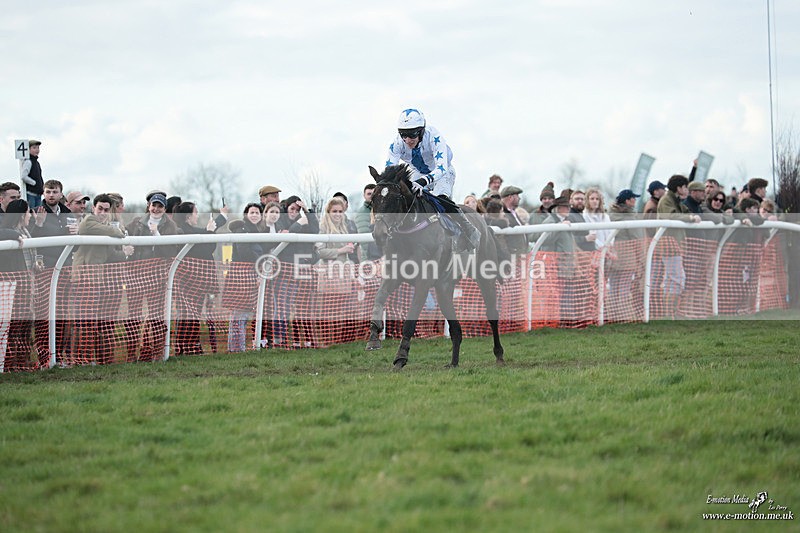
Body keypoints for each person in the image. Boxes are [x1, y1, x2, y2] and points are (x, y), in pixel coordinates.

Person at [386, 108, 480, 251]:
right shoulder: (396, 144)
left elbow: (441, 168)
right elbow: (390, 172)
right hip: (418, 172)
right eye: (403, 135)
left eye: (411, 135)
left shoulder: (434, 136)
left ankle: (467, 228)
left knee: (440, 199)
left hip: (443, 172)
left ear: (421, 131)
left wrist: (423, 182)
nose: (407, 140)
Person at [71, 194, 130, 365]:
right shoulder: (89, 221)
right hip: (84, 278)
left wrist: (124, 253)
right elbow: (112, 231)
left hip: (97, 279)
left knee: (93, 321)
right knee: (84, 321)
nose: (102, 213)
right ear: (93, 208)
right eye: (100, 209)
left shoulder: (105, 226)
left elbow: (110, 253)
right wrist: (119, 231)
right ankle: (81, 359)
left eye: (106, 210)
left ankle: (91, 358)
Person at [124, 192, 179, 362]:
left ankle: (157, 353)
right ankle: (132, 354)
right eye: (154, 205)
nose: (156, 209)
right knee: (133, 316)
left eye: (160, 206)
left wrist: (156, 235)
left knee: (156, 316)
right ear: (148, 205)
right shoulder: (136, 222)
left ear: (164, 208)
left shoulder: (171, 227)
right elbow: (125, 238)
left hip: (157, 276)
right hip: (135, 274)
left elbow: (170, 251)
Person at [173, 201, 221, 355]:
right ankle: (189, 348)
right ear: (188, 216)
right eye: (195, 212)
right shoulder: (184, 231)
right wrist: (210, 232)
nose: (197, 215)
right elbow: (207, 248)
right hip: (191, 280)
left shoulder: (189, 230)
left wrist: (215, 225)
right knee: (190, 315)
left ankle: (188, 347)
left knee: (190, 314)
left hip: (192, 280)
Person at [225, 203, 271, 351]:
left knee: (244, 314)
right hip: (240, 277)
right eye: (252, 212)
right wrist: (260, 261)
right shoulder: (242, 230)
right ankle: (236, 349)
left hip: (251, 276)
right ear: (246, 214)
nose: (254, 215)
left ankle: (239, 348)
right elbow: (244, 251)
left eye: (257, 213)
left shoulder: (259, 232)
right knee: (239, 315)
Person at [656, 174, 701, 318]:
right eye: (685, 187)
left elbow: (686, 212)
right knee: (677, 278)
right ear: (679, 188)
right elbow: (671, 216)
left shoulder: (675, 200)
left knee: (673, 279)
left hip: (674, 244)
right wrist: (690, 218)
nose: (687, 190)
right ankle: (670, 313)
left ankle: (671, 313)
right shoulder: (666, 200)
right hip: (668, 245)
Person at [0, 200, 34, 371]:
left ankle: (21, 362)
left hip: (26, 284)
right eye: (28, 212)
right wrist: (13, 235)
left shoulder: (26, 231)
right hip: (13, 286)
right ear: (21, 215)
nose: (31, 215)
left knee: (24, 325)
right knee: (13, 326)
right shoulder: (12, 232)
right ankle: (8, 364)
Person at [607, 190, 645, 322]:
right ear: (628, 201)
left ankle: (612, 316)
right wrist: (642, 259)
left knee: (613, 288)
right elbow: (637, 239)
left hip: (612, 255)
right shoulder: (630, 218)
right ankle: (622, 317)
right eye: (633, 198)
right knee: (623, 289)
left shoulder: (610, 215)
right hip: (627, 257)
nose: (635, 201)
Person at [30, 179, 75, 268]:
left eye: (55, 192)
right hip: (45, 267)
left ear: (61, 194)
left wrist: (76, 233)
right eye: (48, 192)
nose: (51, 195)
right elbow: (30, 242)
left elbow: (75, 247)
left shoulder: (68, 214)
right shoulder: (34, 212)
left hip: (66, 265)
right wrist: (38, 224)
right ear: (43, 194)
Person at [316, 197, 358, 264]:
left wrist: (349, 246)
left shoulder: (344, 227)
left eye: (340, 211)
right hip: (327, 270)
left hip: (343, 268)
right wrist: (341, 250)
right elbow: (319, 252)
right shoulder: (322, 227)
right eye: (334, 211)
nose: (338, 214)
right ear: (328, 212)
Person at [499, 185, 529, 255]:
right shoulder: (501, 214)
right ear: (510, 197)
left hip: (520, 256)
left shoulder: (513, 213)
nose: (519, 198)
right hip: (512, 257)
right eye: (517, 195)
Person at [20, 139, 44, 208]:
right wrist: (34, 183)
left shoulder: (36, 162)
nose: (37, 150)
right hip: (31, 194)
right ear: (28, 149)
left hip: (38, 194)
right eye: (34, 148)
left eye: (38, 148)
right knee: (31, 213)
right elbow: (24, 176)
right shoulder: (28, 161)